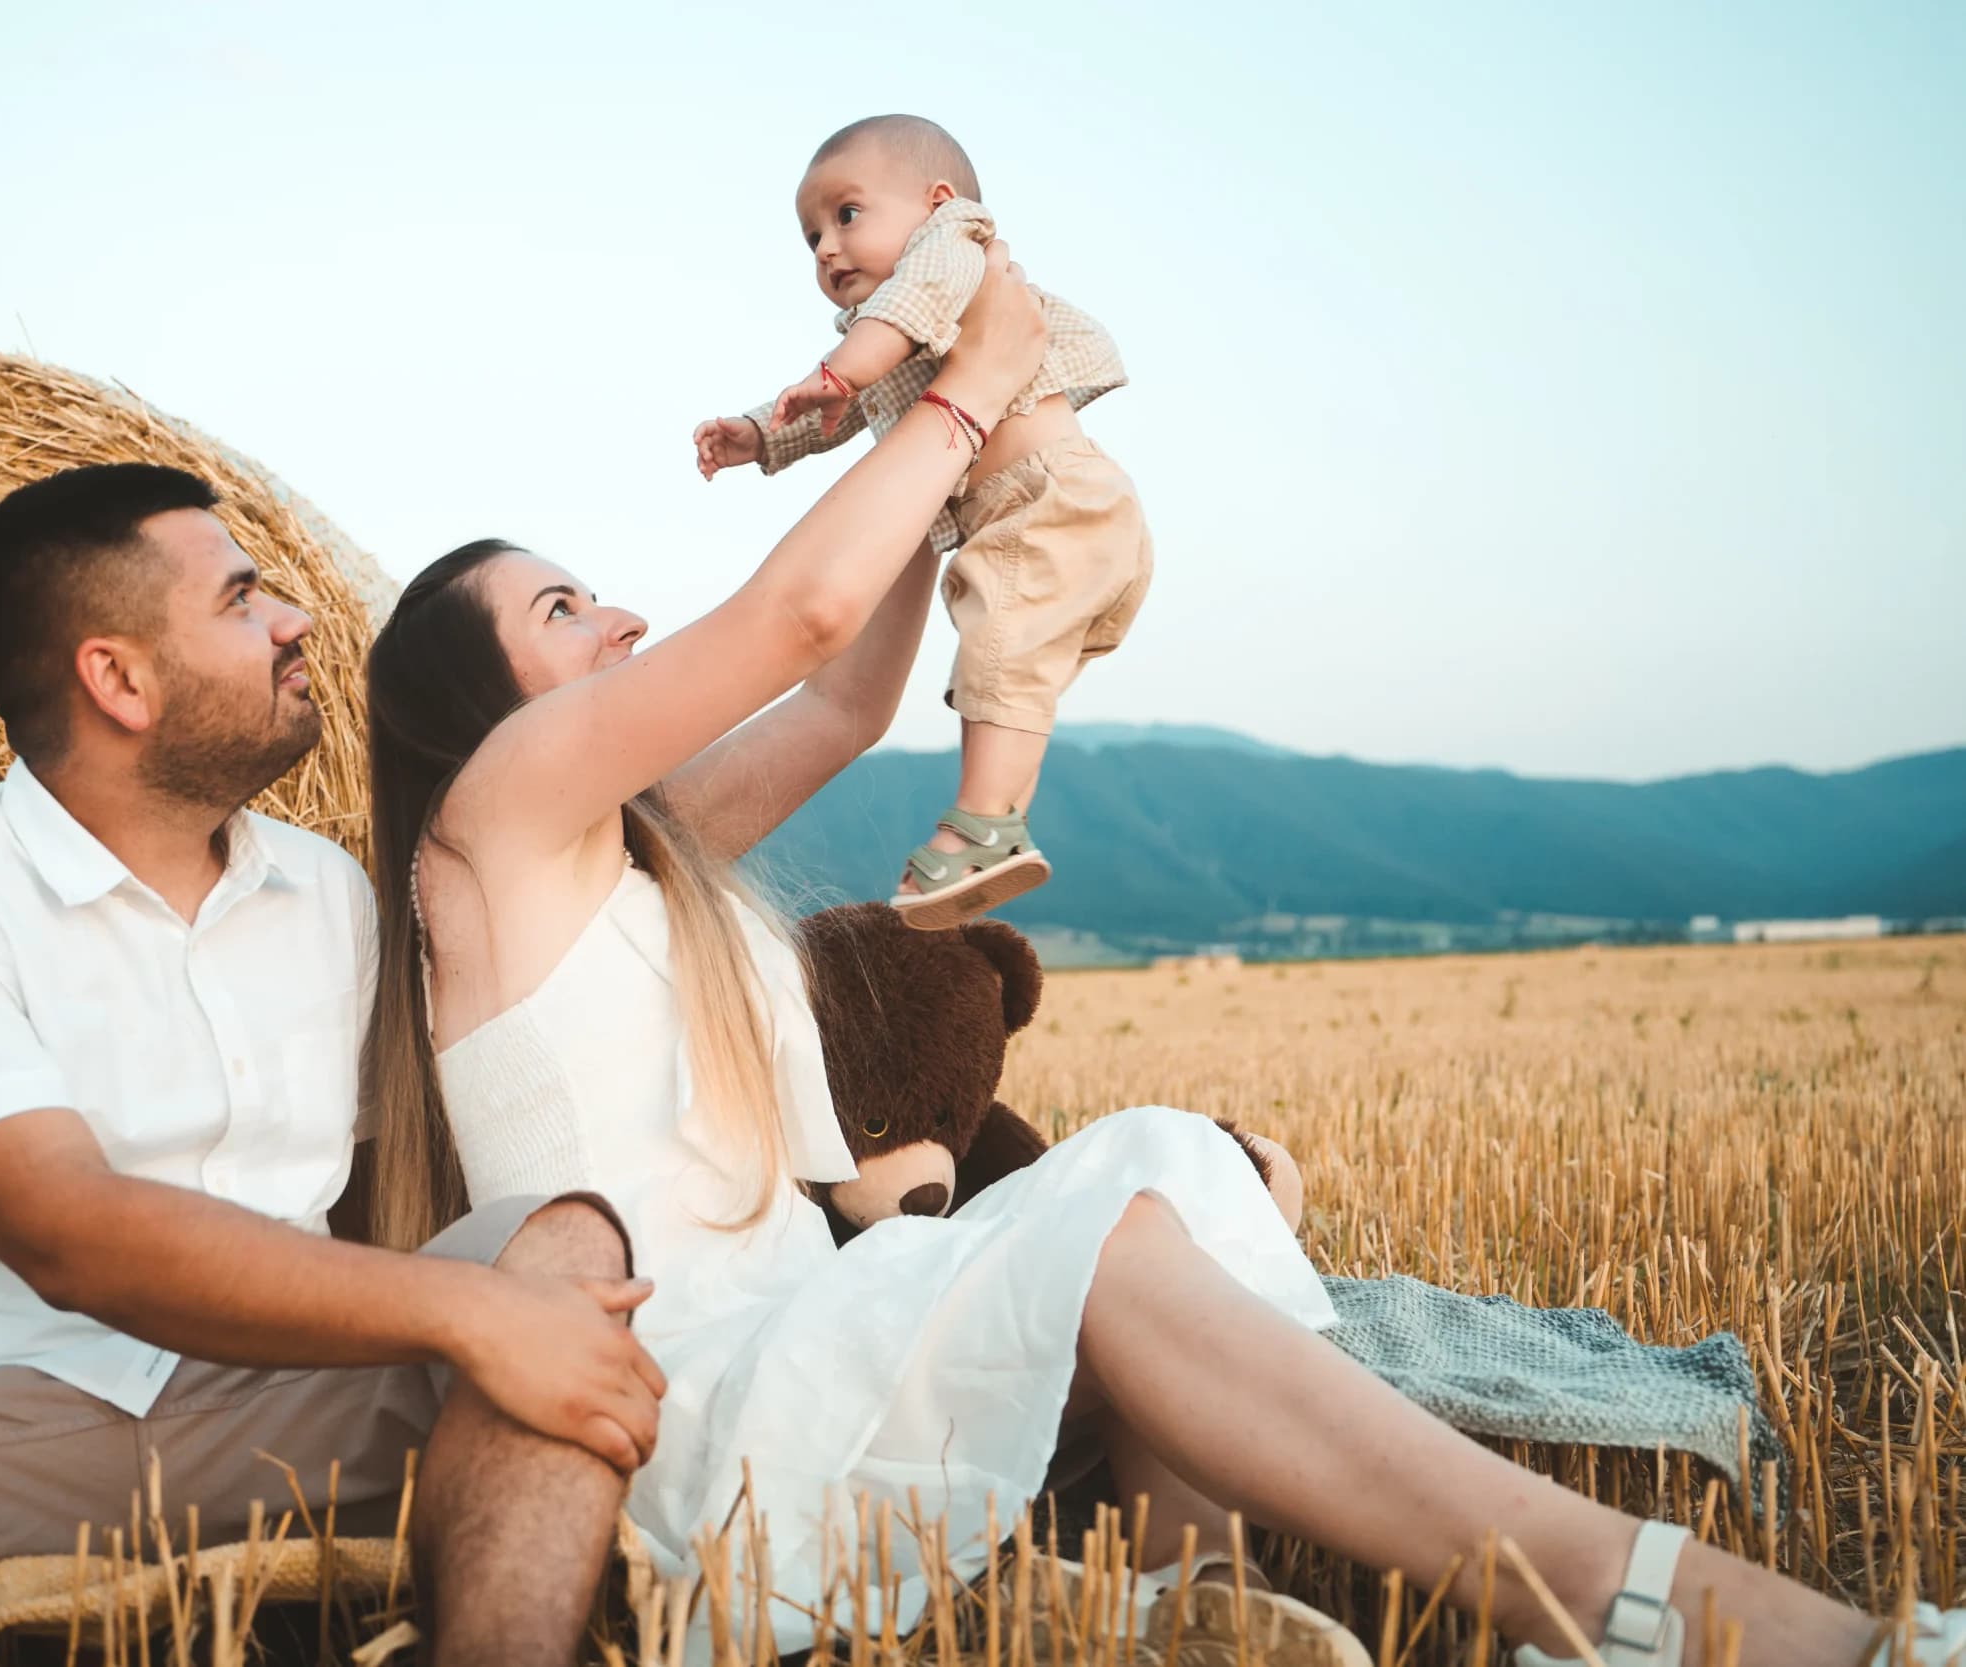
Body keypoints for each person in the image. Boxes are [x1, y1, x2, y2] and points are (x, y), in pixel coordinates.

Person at [376, 240, 1963, 1665]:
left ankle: (1173, 1606)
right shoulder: (492, 824)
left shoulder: (649, 860)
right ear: (477, 705)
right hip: (703, 1420)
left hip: (820, 1344)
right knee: (1116, 1229)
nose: (623, 620)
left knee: (1169, 1162)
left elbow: (850, 697)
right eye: (565, 608)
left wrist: (945, 441)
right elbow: (792, 616)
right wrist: (976, 378)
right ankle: (1670, 1612)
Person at [0, 464, 666, 1667]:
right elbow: (71, 1231)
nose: (295, 619)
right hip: (12, 1430)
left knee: (561, 1239)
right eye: (241, 599)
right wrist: (475, 1310)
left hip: (302, 1408)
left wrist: (511, 1297)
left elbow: (374, 1194)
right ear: (118, 678)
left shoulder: (327, 893)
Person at [692, 113, 1149, 930]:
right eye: (811, 237)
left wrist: (837, 368)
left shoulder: (954, 251)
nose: (828, 247)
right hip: (1063, 513)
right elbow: (838, 411)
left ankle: (985, 825)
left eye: (847, 214)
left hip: (1044, 502)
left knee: (999, 664)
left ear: (937, 203)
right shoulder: (893, 335)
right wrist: (761, 434)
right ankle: (994, 816)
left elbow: (885, 334)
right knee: (1009, 678)